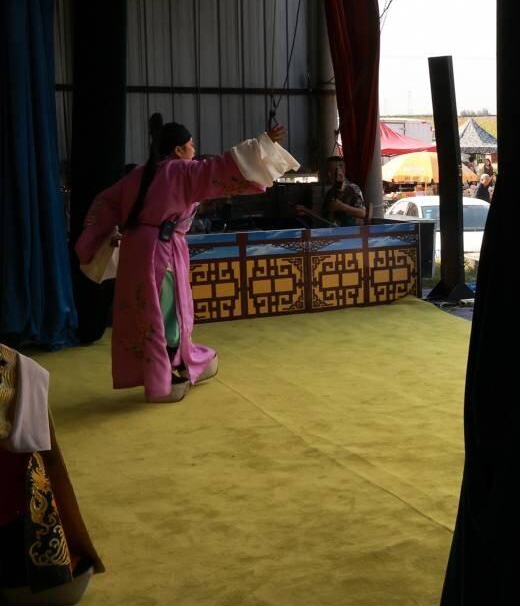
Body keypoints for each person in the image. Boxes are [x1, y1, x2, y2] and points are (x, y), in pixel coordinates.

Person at [74, 117, 297, 403]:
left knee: (144, 313)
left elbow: (105, 203)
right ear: (178, 150)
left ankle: (161, 372)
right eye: (191, 146)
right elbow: (220, 168)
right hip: (161, 249)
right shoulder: (179, 170)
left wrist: (110, 234)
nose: (195, 150)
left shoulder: (138, 174)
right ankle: (166, 377)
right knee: (168, 312)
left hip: (135, 248)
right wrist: (262, 144)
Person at [295, 155, 366, 228]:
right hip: (331, 232)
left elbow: (362, 213)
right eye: (327, 171)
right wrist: (306, 211)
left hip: (349, 232)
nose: (328, 174)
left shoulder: (352, 188)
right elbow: (324, 216)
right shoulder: (331, 192)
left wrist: (341, 206)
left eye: (332, 171)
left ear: (342, 171)